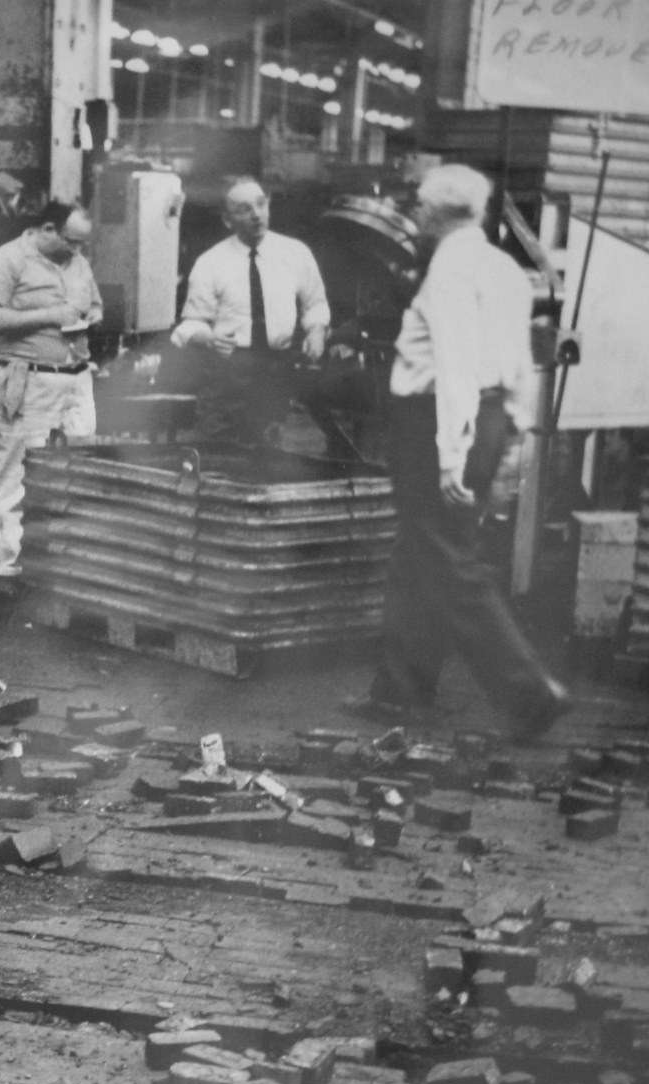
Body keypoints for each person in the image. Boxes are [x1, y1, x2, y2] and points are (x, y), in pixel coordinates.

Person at [360, 163, 569, 741]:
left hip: (443, 421)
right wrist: (519, 428)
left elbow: (456, 365)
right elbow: (520, 359)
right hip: (493, 415)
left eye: (422, 206)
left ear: (441, 212)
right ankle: (401, 692)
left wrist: (451, 454)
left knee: (449, 557)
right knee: (418, 550)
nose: (417, 214)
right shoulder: (503, 267)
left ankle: (530, 692)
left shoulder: (451, 268)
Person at [0, 199, 102, 581]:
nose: (77, 251)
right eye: (71, 242)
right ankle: (6, 564)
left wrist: (91, 316)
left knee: (79, 467)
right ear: (48, 229)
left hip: (76, 378)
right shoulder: (8, 259)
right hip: (26, 379)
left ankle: (66, 561)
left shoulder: (78, 264)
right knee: (12, 471)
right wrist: (50, 316)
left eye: (82, 244)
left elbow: (96, 306)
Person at [170, 177, 334, 446]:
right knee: (217, 458)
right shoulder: (210, 263)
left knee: (268, 460)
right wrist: (208, 338)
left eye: (261, 204)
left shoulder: (295, 253)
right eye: (244, 209)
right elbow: (191, 324)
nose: (256, 214)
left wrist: (316, 332)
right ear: (227, 219)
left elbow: (315, 303)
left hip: (275, 372)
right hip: (227, 374)